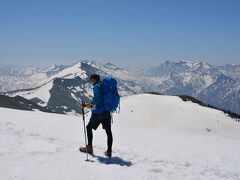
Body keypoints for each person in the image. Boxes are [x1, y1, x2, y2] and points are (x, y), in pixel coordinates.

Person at [79, 74, 113, 157]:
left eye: (91, 79)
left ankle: (89, 148)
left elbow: (97, 100)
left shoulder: (96, 87)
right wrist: (91, 104)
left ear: (94, 79)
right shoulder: (103, 85)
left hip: (99, 112)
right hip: (107, 112)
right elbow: (100, 98)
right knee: (108, 132)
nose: (90, 81)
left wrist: (87, 105)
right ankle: (109, 151)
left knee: (88, 128)